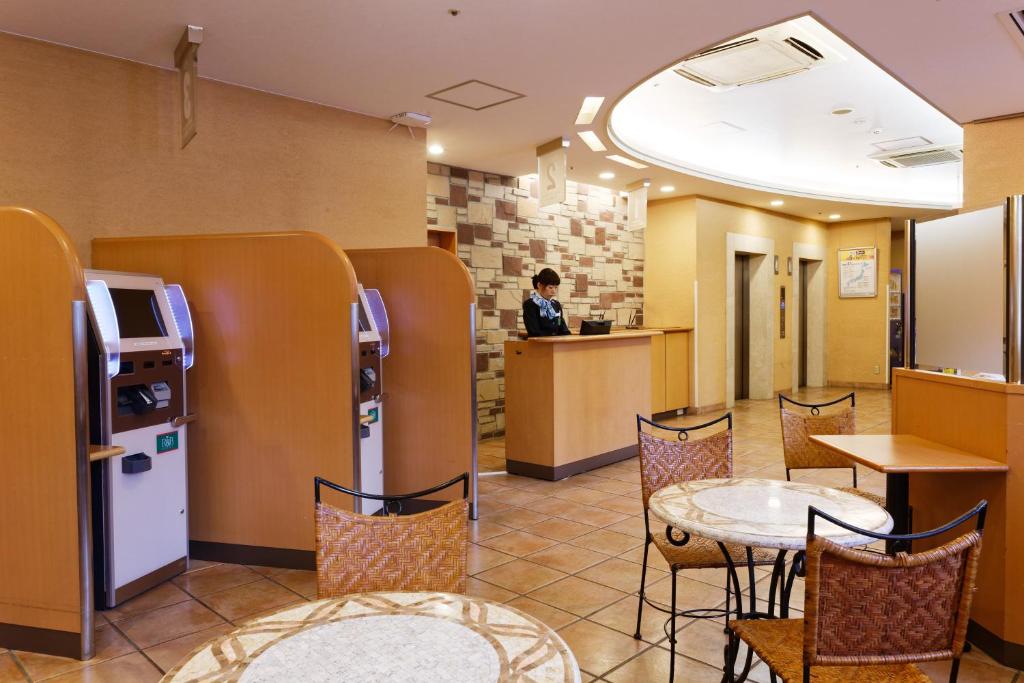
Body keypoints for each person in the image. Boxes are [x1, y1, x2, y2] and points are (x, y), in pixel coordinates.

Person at [522, 268, 571, 337]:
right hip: (540, 345)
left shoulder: (556, 305)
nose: (554, 291)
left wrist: (567, 336)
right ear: (539, 285)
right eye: (550, 287)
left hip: (557, 344)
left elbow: (561, 324)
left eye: (556, 287)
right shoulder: (530, 304)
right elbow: (534, 332)